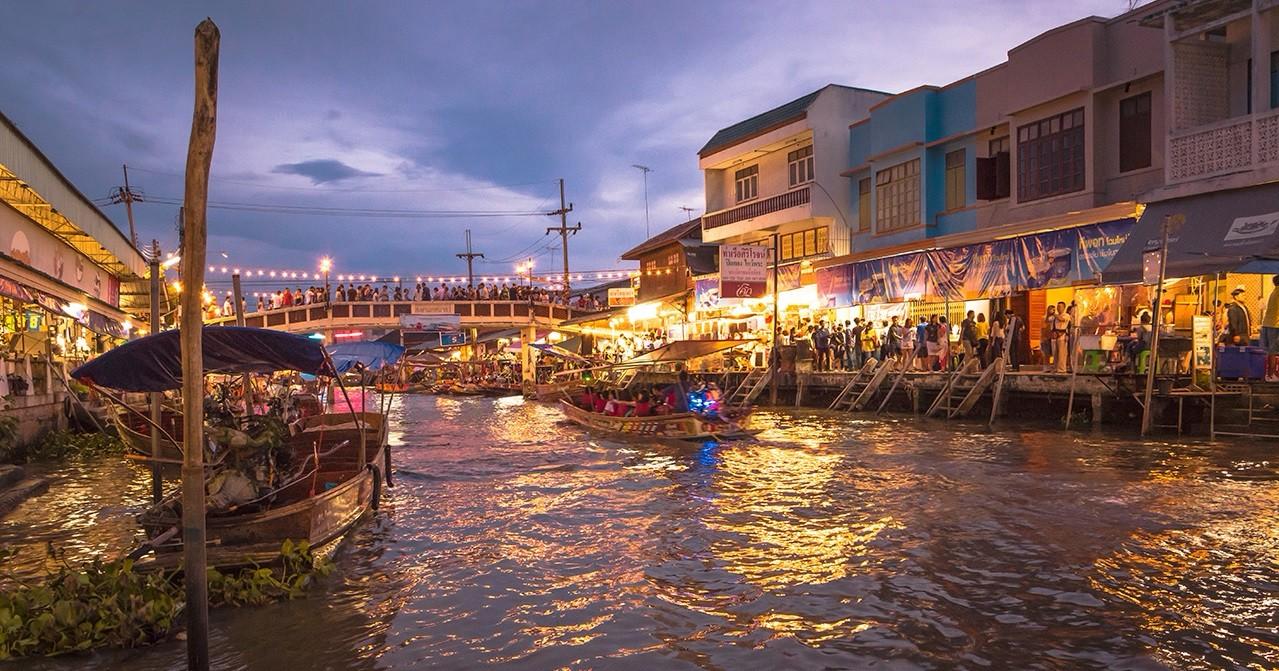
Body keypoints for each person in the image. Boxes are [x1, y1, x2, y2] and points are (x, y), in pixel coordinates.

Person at [1053, 301, 1071, 373]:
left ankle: (1062, 369)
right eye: (1057, 307)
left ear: (1064, 308)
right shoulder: (1055, 317)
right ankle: (1056, 368)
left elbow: (1061, 319)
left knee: (1062, 353)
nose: (1058, 308)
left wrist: (1054, 314)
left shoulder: (1066, 315)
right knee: (1055, 353)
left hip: (1063, 335)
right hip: (1056, 335)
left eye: (1060, 307)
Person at [1264, 276, 1279, 353]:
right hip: (1276, 324)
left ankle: (1270, 365)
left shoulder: (1273, 293)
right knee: (1274, 350)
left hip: (1269, 324)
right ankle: (1272, 365)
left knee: (1271, 350)